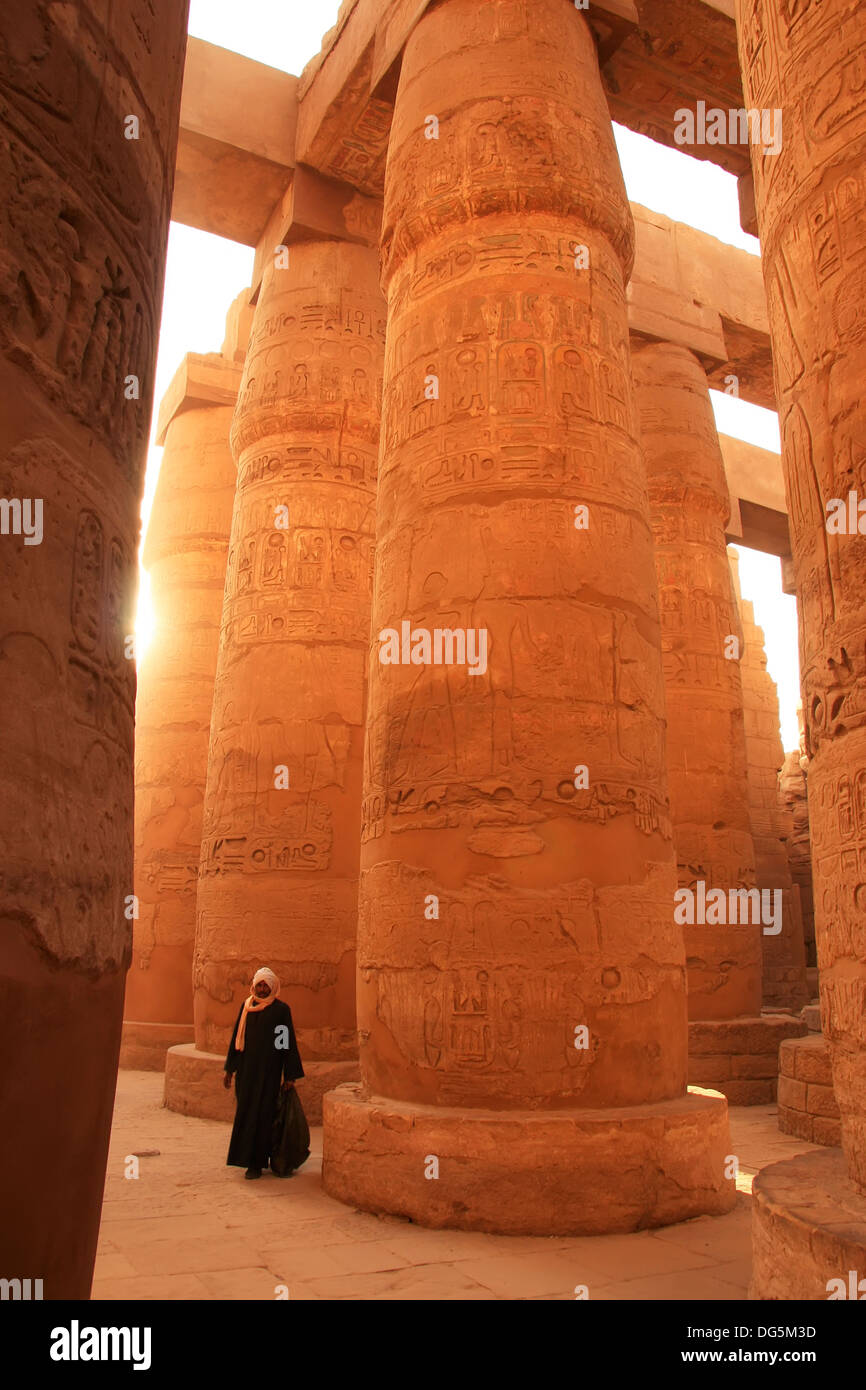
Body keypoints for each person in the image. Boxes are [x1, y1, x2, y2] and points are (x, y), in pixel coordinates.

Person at [223, 967, 304, 1179]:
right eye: (259, 985)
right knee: (246, 1114)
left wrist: (290, 1074)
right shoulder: (247, 1007)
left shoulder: (279, 1011)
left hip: (268, 1073)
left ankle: (257, 1163)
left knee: (263, 1116)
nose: (261, 989)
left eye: (265, 985)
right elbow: (236, 1040)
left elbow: (285, 1042)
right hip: (246, 1072)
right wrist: (230, 1069)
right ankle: (245, 1158)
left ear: (273, 987)